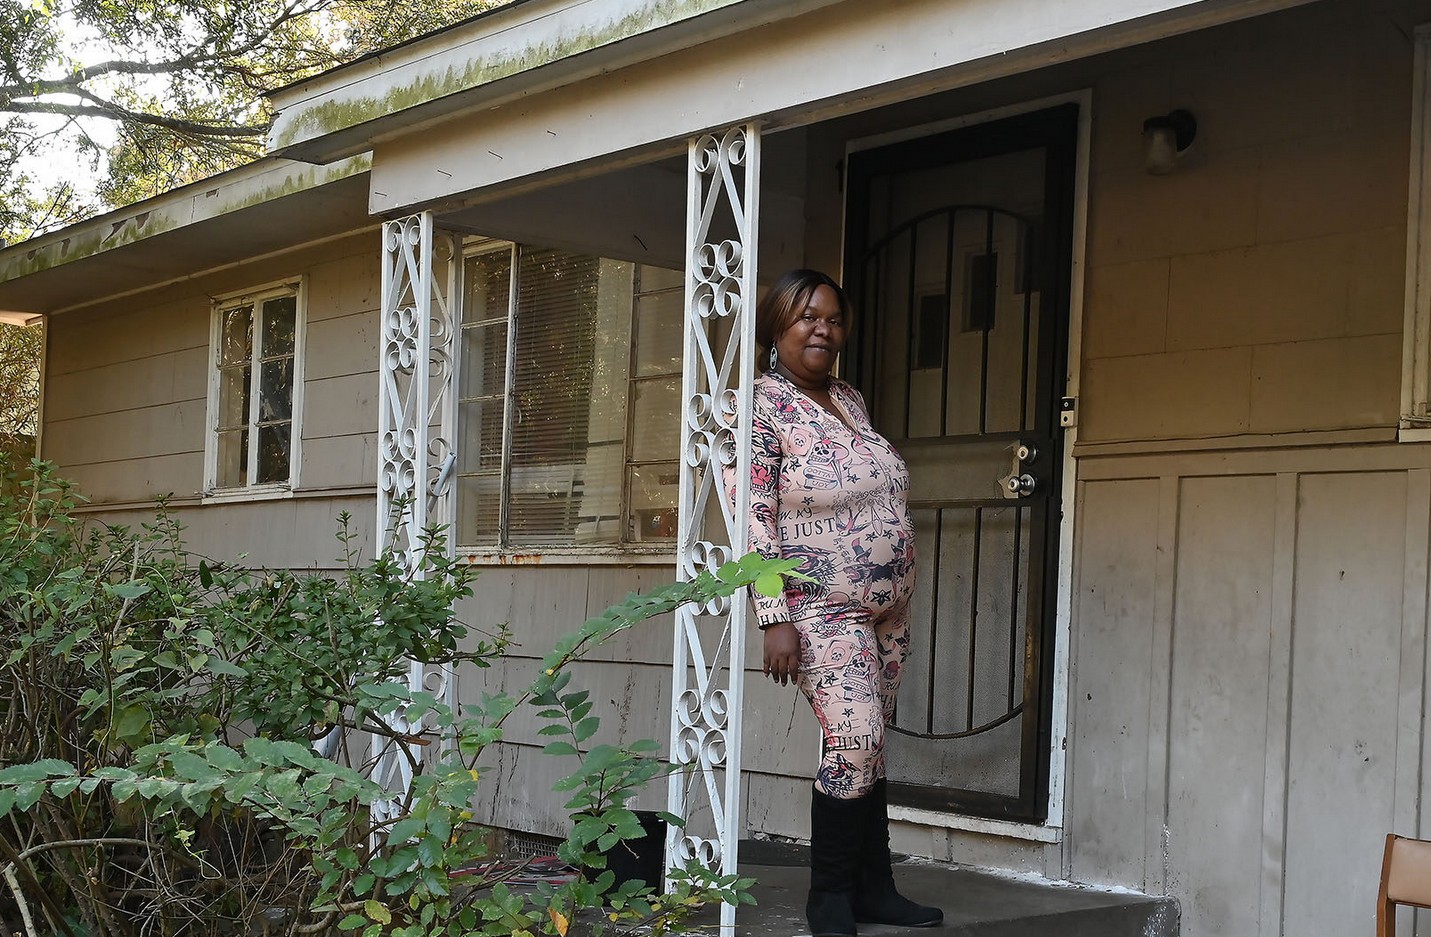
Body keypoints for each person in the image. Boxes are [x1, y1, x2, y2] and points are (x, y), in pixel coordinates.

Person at [742, 269, 942, 937]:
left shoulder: (847, 397)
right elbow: (753, 518)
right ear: (777, 327)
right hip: (820, 608)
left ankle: (874, 888)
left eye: (832, 318)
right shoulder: (759, 406)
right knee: (854, 741)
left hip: (889, 610)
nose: (822, 329)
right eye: (806, 317)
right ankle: (828, 897)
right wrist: (774, 617)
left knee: (870, 745)